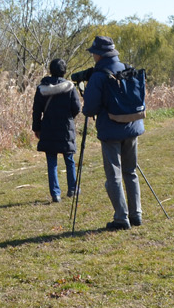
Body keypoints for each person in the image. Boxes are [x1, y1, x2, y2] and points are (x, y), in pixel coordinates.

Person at [79, 36, 145, 230]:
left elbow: (89, 109)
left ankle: (121, 218)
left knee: (113, 175)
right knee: (130, 171)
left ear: (98, 55)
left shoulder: (99, 76)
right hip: (133, 126)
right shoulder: (127, 68)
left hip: (110, 131)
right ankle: (136, 214)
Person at [31, 58, 82, 204]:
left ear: (50, 70)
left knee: (51, 162)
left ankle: (55, 194)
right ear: (64, 71)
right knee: (69, 159)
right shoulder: (70, 87)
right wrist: (69, 117)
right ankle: (72, 188)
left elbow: (36, 111)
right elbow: (77, 108)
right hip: (66, 127)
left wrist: (37, 128)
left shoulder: (42, 88)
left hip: (48, 127)